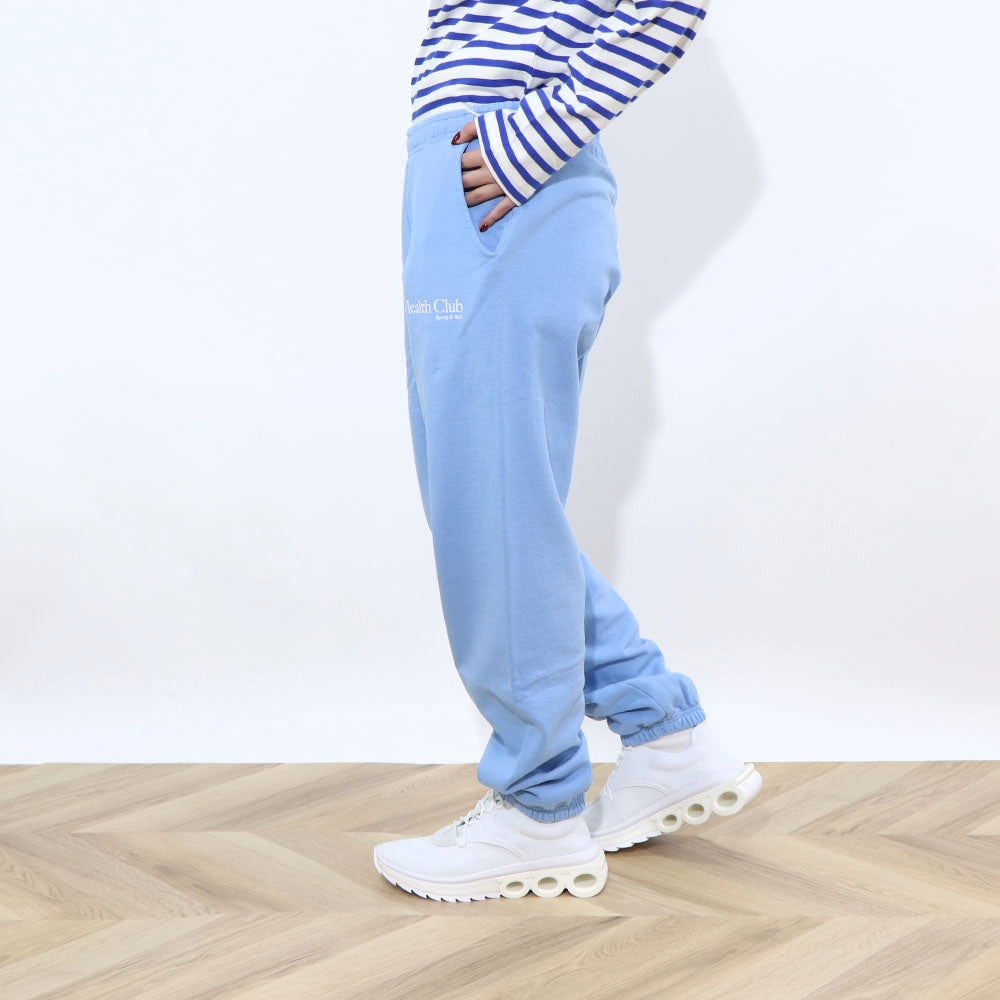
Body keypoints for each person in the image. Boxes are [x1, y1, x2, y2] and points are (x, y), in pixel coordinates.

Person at [374, 0, 762, 902]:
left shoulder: (517, 150)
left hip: (506, 181)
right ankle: (662, 734)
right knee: (496, 504)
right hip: (478, 181)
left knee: (491, 509)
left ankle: (536, 811)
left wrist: (524, 142)